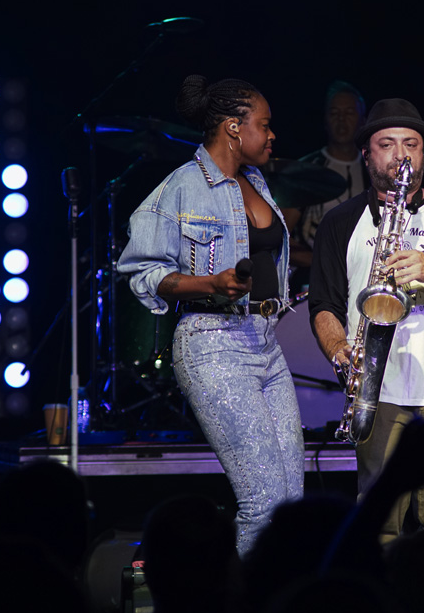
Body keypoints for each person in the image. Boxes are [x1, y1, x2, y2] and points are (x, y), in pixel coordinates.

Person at [117, 75, 304, 556]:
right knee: (262, 501)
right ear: (234, 127)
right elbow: (142, 271)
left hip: (265, 343)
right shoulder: (180, 188)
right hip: (212, 344)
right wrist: (210, 284)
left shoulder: (255, 180)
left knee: (292, 504)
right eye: (265, 125)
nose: (272, 134)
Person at [308, 97, 424, 544]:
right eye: (386, 144)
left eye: (411, 144)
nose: (401, 154)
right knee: (378, 530)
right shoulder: (339, 221)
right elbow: (324, 306)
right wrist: (339, 353)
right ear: (367, 154)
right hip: (378, 387)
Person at [285, 81, 369, 292]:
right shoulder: (305, 170)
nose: (341, 120)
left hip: (364, 278)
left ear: (363, 120)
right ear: (325, 120)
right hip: (312, 279)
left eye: (349, 112)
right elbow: (279, 236)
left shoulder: (374, 171)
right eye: (334, 113)